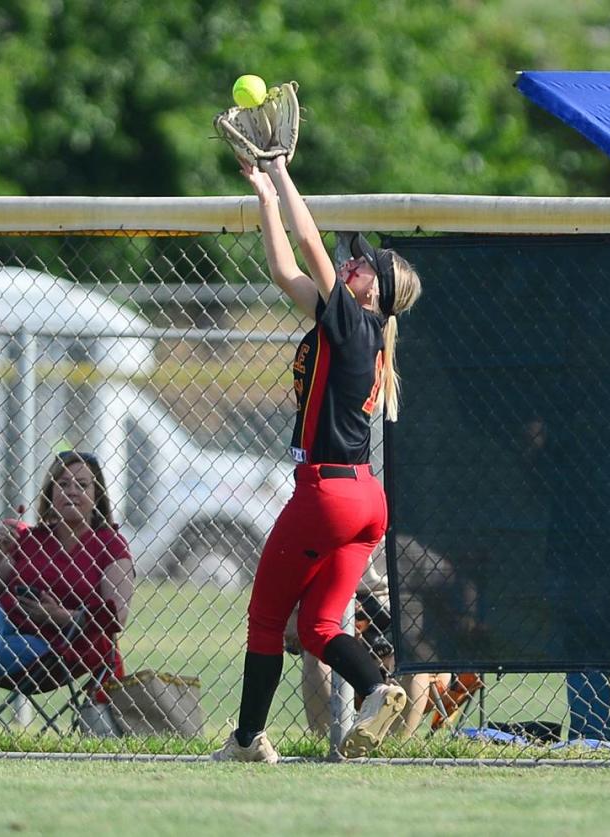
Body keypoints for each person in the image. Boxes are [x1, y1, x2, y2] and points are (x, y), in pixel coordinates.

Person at [212, 154, 423, 762]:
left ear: (376, 291)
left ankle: (248, 740)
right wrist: (264, 196)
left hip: (327, 495)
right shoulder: (354, 329)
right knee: (320, 627)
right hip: (364, 500)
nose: (350, 262)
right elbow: (284, 268)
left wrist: (280, 171)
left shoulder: (357, 324)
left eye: (362, 263)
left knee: (264, 619)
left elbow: (307, 243)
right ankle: (378, 688)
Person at [0, 450, 135, 732]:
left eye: (82, 485)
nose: (71, 491)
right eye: (63, 484)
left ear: (97, 496)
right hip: (5, 631)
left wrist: (60, 615)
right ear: (50, 492)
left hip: (55, 649)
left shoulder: (110, 544)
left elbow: (116, 616)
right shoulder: (29, 540)